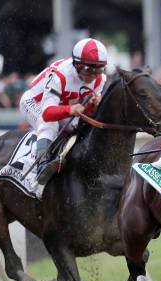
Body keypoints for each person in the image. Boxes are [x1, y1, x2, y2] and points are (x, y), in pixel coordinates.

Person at [19, 38, 108, 185]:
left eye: (98, 69)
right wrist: (71, 109)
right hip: (34, 102)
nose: (93, 75)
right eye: (88, 69)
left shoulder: (100, 79)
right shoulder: (60, 75)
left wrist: (94, 105)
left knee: (79, 127)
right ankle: (42, 164)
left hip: (62, 106)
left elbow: (87, 112)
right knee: (50, 125)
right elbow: (48, 114)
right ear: (77, 64)